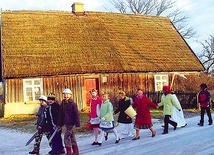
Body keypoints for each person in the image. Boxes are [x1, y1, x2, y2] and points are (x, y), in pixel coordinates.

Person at [58, 88, 80, 155]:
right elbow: (61, 114)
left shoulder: (73, 104)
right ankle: (76, 151)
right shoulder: (63, 103)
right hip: (66, 122)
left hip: (71, 123)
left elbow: (76, 114)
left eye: (67, 94)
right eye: (64, 94)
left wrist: (77, 123)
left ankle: (69, 151)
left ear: (70, 95)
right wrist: (59, 123)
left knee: (66, 137)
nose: (66, 96)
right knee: (71, 136)